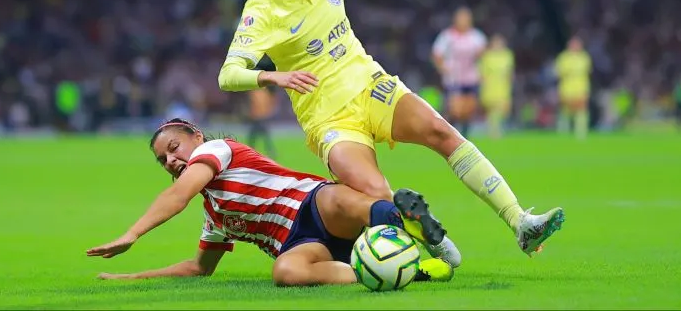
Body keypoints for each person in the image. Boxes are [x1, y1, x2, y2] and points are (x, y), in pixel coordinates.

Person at [218, 0, 564, 260]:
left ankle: (520, 222)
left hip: (371, 86)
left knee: (442, 132)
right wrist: (272, 78)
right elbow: (228, 75)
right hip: (329, 120)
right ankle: (424, 237)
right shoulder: (261, 9)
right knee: (378, 194)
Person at [86, 119, 454, 286]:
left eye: (173, 148)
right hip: (300, 245)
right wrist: (131, 277)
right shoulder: (214, 214)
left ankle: (404, 218)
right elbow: (200, 268)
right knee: (285, 273)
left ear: (195, 136)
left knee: (339, 199)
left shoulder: (217, 149)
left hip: (312, 203)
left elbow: (178, 195)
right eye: (163, 160)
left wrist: (132, 234)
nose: (171, 161)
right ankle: (411, 272)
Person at [431, 6, 487, 137]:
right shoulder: (447, 36)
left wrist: (482, 66)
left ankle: (464, 138)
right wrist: (443, 67)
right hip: (454, 77)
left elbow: (483, 55)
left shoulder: (476, 36)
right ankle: (447, 133)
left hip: (471, 77)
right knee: (456, 110)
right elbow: (437, 54)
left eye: (466, 18)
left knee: (468, 110)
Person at [554, 36, 592, 139]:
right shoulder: (563, 57)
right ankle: (563, 131)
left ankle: (581, 132)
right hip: (567, 88)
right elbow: (558, 73)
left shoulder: (584, 57)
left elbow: (587, 73)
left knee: (581, 110)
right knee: (565, 111)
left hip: (580, 88)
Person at [479, 34, 515, 139]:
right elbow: (482, 72)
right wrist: (484, 83)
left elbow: (510, 71)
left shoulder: (507, 55)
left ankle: (495, 127)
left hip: (503, 86)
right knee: (492, 109)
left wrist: (510, 81)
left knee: (504, 109)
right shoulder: (487, 56)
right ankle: (494, 130)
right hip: (491, 86)